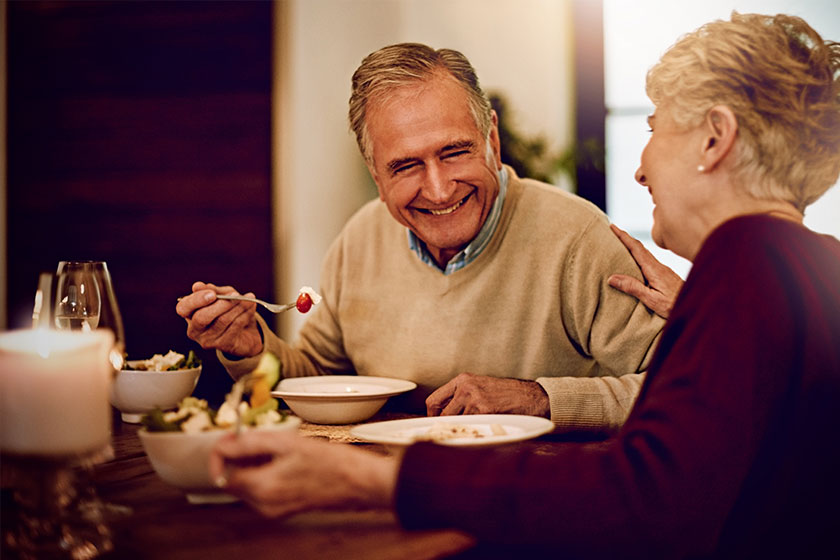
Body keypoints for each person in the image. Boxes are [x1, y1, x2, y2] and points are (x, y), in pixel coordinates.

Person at [208, 13, 840, 557]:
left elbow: (640, 498)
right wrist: (701, 320)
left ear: (715, 138)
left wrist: (374, 480)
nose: (641, 167)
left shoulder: (745, 270)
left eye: (653, 127)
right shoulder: (808, 266)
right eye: (405, 166)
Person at [177, 43, 665, 432]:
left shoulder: (579, 239)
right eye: (406, 165)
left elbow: (685, 388)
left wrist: (538, 398)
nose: (438, 189)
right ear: (374, 170)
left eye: (454, 152)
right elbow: (321, 381)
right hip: (388, 498)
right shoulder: (361, 237)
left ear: (491, 139)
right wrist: (250, 346)